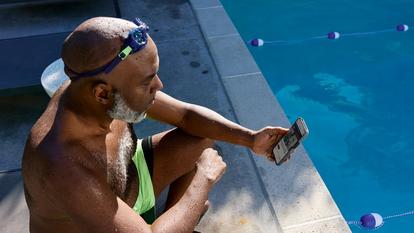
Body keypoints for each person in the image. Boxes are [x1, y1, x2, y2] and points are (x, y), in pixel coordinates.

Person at [22, 17, 288, 233]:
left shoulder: (93, 93)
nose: (159, 86)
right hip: (96, 221)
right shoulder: (63, 166)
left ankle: (177, 220)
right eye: (146, 82)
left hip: (129, 186)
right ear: (102, 93)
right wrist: (202, 181)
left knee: (202, 137)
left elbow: (185, 115)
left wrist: (250, 138)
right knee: (199, 174)